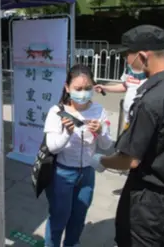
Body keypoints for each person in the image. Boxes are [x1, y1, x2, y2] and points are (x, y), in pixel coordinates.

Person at [90, 25, 164, 247]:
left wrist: (101, 160)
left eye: (128, 55)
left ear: (143, 56)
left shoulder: (151, 101)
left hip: (150, 199)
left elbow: (130, 159)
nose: (127, 61)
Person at [43, 64, 113, 247]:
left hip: (87, 174)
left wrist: (102, 131)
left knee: (78, 218)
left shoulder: (99, 111)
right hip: (62, 175)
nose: (83, 93)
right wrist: (66, 132)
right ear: (67, 88)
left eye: (88, 88)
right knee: (59, 218)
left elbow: (107, 145)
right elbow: (52, 147)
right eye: (78, 89)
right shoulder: (57, 112)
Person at [95, 52, 147, 128]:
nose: (125, 58)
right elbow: (125, 86)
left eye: (127, 55)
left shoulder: (151, 71)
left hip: (142, 121)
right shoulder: (128, 70)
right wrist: (105, 88)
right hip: (128, 119)